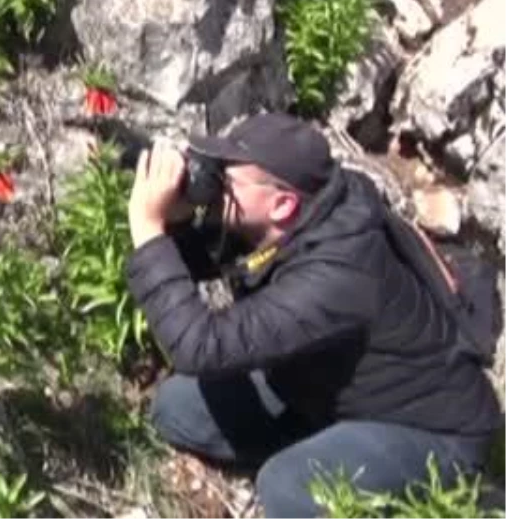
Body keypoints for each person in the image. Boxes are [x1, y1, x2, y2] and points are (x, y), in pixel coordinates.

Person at [123, 112, 502, 517]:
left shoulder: (338, 273)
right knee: (176, 407)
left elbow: (199, 347)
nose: (216, 183)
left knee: (286, 488)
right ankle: (326, 443)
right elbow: (208, 258)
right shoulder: (299, 215)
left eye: (227, 178)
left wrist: (147, 230)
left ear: (282, 204)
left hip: (434, 433)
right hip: (323, 386)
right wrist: (177, 222)